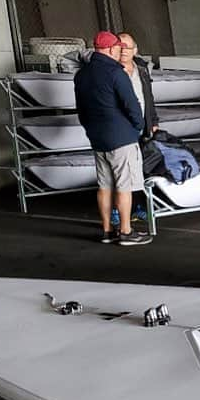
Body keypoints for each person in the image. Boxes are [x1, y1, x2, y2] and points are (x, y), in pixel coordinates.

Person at [73, 31, 152, 246]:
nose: (121, 51)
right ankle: (126, 232)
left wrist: (90, 129)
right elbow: (132, 105)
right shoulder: (117, 73)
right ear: (110, 49)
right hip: (121, 137)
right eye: (119, 48)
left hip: (97, 138)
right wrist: (137, 127)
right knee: (124, 185)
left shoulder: (82, 75)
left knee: (104, 185)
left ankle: (107, 230)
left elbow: (81, 109)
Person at [118, 31, 158, 223]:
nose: (124, 50)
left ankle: (138, 207)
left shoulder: (141, 68)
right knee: (121, 171)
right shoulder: (111, 70)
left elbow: (148, 97)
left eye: (128, 46)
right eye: (120, 46)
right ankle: (118, 212)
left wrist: (154, 121)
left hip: (142, 125)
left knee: (142, 167)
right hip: (122, 128)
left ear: (135, 50)